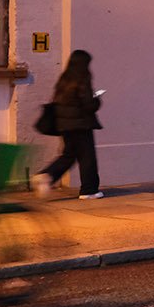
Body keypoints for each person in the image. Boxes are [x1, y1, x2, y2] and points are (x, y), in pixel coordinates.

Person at [37, 49, 104, 198]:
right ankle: (89, 190)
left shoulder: (64, 79)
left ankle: (48, 175)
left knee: (69, 155)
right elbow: (88, 104)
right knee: (87, 157)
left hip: (65, 125)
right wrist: (96, 98)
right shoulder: (82, 79)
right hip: (81, 124)